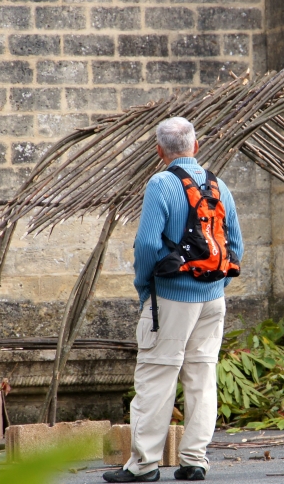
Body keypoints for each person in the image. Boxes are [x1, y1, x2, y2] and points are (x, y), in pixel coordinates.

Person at [104, 117, 243, 483]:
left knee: (156, 375)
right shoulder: (219, 185)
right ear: (195, 147)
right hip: (213, 298)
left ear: (159, 151)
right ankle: (195, 461)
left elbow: (149, 244)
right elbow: (236, 246)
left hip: (170, 298)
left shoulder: (161, 183)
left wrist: (145, 289)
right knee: (201, 374)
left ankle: (144, 465)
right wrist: (213, 288)